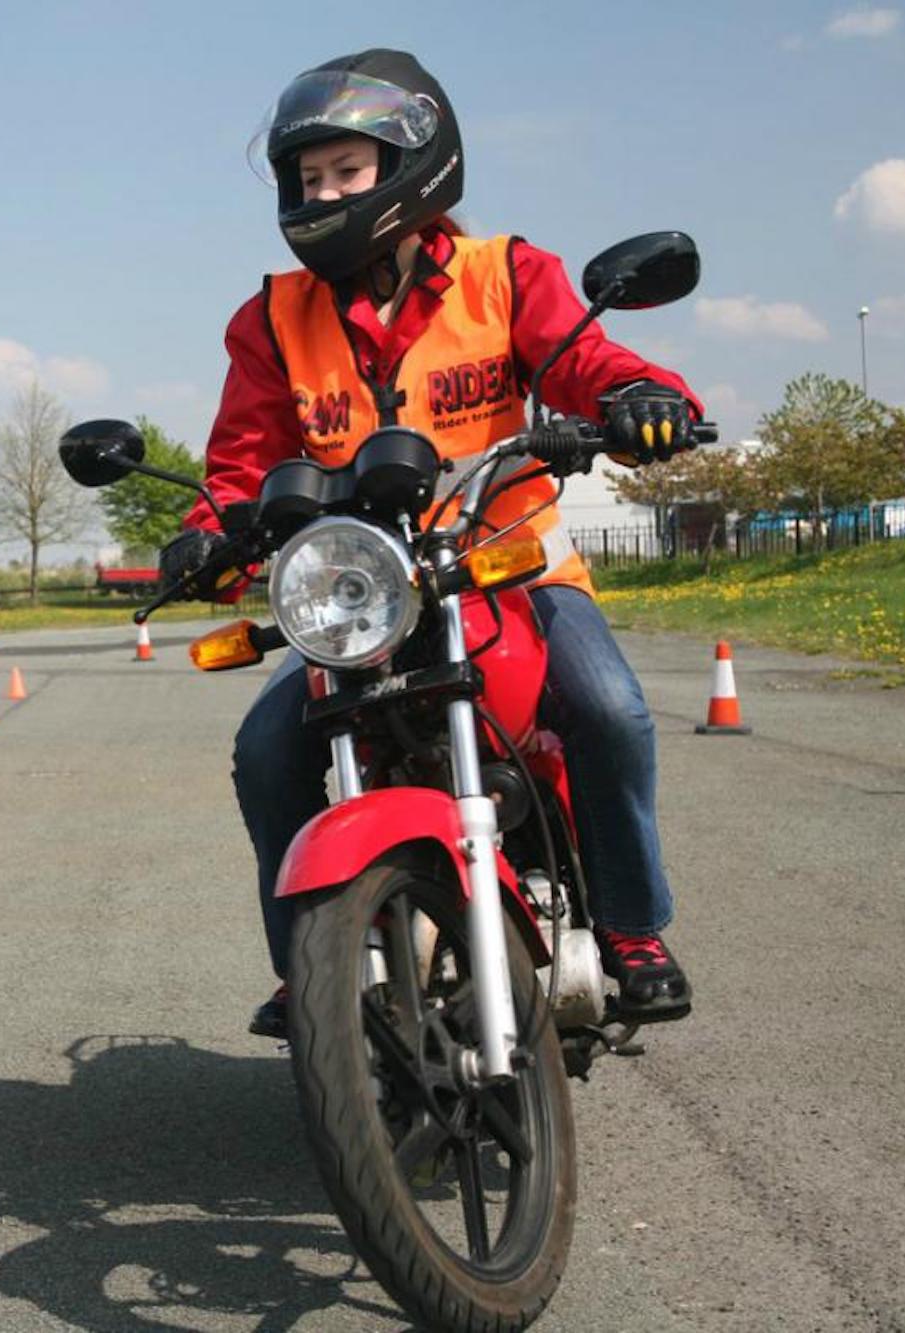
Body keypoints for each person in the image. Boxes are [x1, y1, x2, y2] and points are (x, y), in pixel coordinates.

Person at [164, 49, 703, 1041]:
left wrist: (635, 396)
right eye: (308, 177)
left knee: (608, 708)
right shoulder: (272, 318)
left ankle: (630, 928)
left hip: (509, 564)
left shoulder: (505, 274)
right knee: (263, 752)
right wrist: (206, 532)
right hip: (360, 590)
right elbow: (241, 459)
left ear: (412, 165)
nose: (323, 191)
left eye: (345, 171)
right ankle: (311, 964)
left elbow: (579, 356)